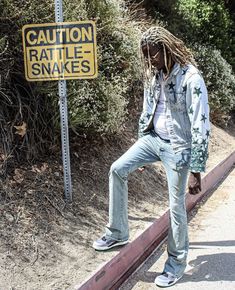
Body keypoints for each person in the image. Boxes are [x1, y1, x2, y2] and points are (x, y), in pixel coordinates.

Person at [93, 26, 210, 287]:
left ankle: (175, 265)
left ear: (167, 50)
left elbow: (200, 124)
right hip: (152, 140)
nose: (149, 61)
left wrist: (196, 168)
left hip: (179, 148)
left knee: (176, 208)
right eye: (145, 55)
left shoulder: (191, 78)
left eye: (153, 55)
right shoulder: (154, 74)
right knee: (117, 169)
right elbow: (148, 112)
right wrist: (141, 148)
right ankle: (118, 232)